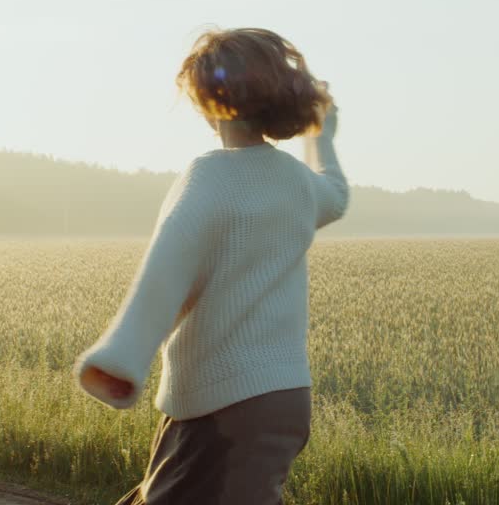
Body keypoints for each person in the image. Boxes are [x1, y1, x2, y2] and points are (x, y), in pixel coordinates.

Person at [72, 27, 349, 504]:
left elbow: (162, 278)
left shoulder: (208, 179)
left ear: (210, 101)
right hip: (286, 399)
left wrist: (119, 359)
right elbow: (337, 194)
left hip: (221, 403)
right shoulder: (298, 183)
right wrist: (323, 137)